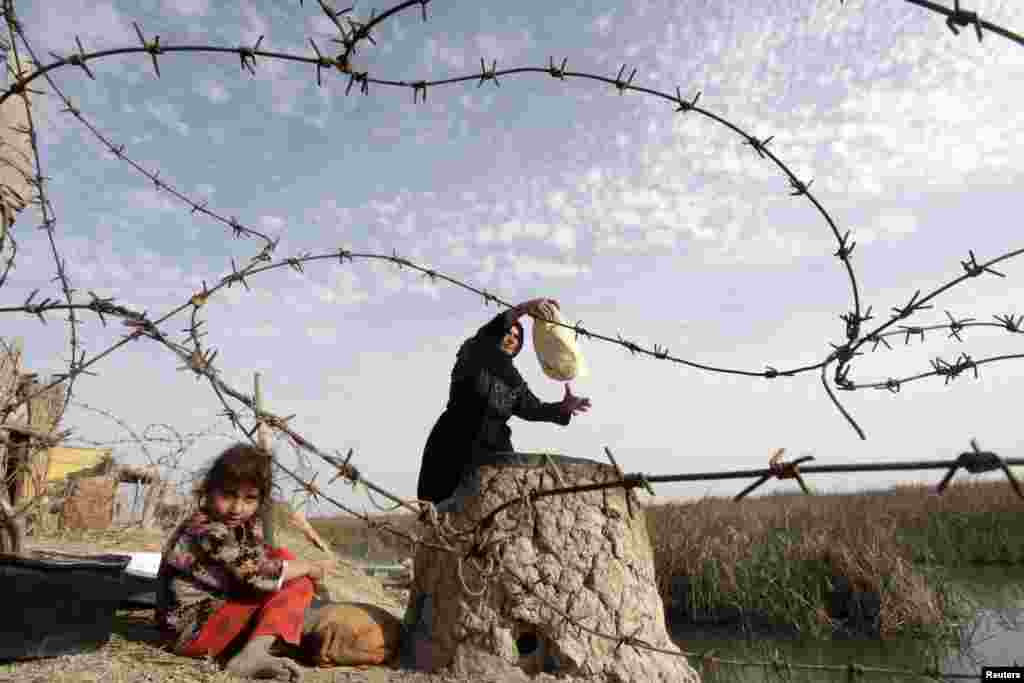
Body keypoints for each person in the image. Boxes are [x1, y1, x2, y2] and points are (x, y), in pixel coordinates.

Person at [156, 443, 338, 682]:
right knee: (297, 585)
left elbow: (262, 561)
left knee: (282, 557)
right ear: (208, 492)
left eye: (250, 498)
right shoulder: (208, 530)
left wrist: (292, 565)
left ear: (260, 500)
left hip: (208, 621)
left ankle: (263, 646)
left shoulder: (237, 529)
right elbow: (257, 577)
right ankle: (252, 655)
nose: (237, 508)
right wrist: (310, 568)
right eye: (228, 495)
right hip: (192, 632)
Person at [416, 298, 593, 504]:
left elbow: (532, 409)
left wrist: (563, 407)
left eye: (517, 337)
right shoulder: (474, 352)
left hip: (494, 450)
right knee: (442, 507)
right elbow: (490, 331)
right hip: (454, 442)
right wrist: (526, 308)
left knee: (499, 506)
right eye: (508, 333)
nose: (511, 339)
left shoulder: (514, 379)